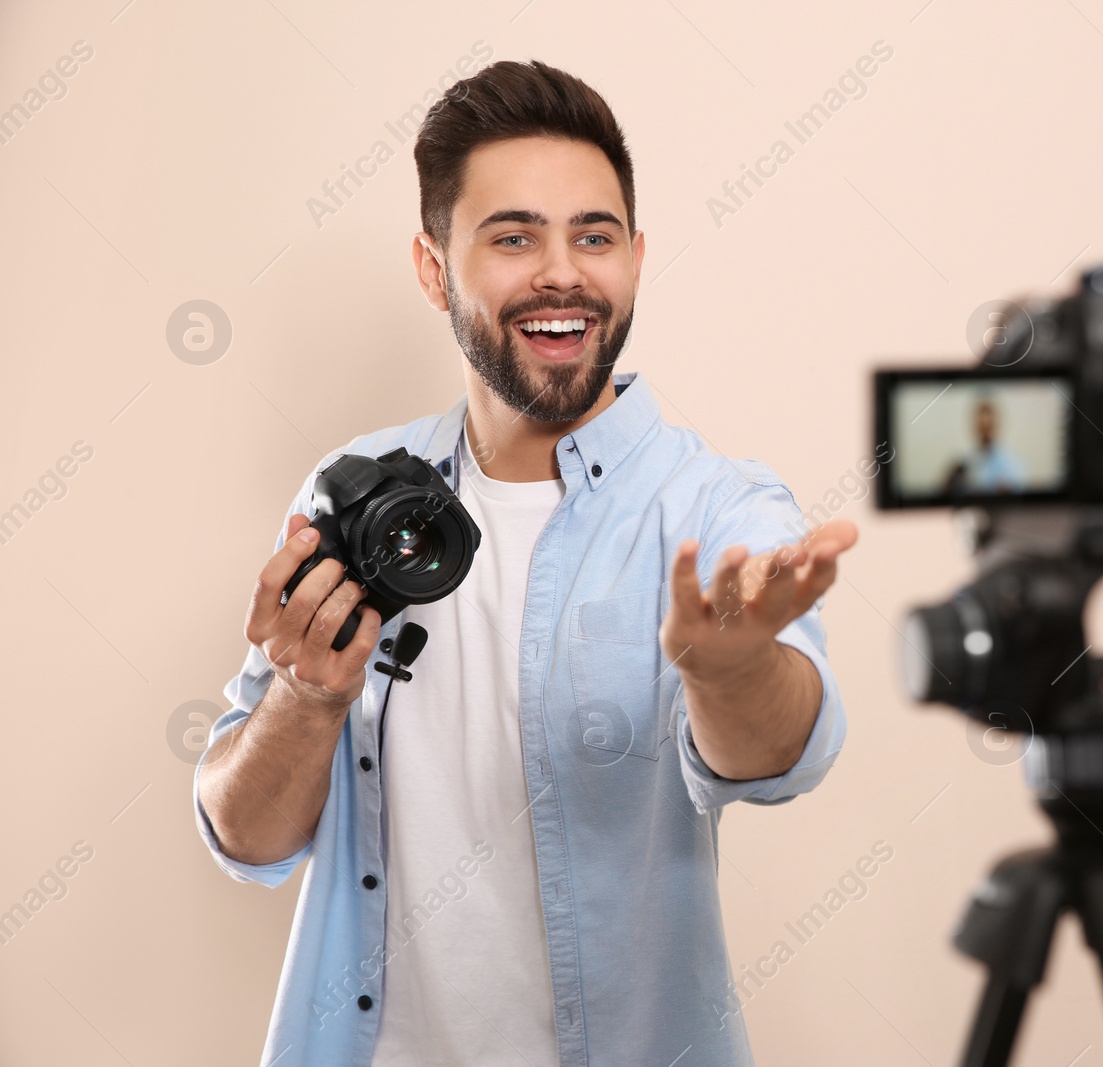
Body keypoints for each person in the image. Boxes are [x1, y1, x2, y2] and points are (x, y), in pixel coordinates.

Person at [193, 59, 857, 1067]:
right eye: (513, 237)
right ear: (433, 269)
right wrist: (304, 696)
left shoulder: (716, 505)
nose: (562, 273)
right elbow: (247, 837)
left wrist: (730, 669)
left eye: (593, 236)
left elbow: (777, 753)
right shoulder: (350, 494)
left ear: (634, 258)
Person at [942, 396, 1027, 495]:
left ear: (995, 425)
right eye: (981, 427)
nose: (985, 432)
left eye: (988, 427)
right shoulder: (962, 462)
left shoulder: (1012, 464)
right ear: (975, 426)